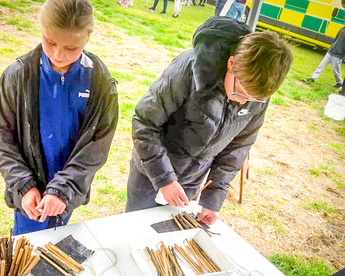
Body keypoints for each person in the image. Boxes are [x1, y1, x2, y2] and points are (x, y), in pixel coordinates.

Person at [125, 16, 293, 226]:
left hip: (192, 180)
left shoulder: (257, 95)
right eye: (239, 92)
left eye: (251, 99)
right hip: (151, 173)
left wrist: (212, 199)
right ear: (231, 63)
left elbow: (238, 148)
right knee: (134, 228)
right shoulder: (188, 69)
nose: (242, 102)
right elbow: (145, 123)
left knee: (169, 232)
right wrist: (164, 179)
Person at [0, 0, 119, 235]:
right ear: (41, 29)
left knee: (56, 235)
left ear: (87, 37)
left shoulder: (100, 82)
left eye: (71, 48)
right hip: (29, 188)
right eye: (50, 42)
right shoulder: (17, 76)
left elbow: (98, 144)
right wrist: (23, 185)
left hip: (70, 187)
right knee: (26, 243)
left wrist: (65, 188)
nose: (58, 54)